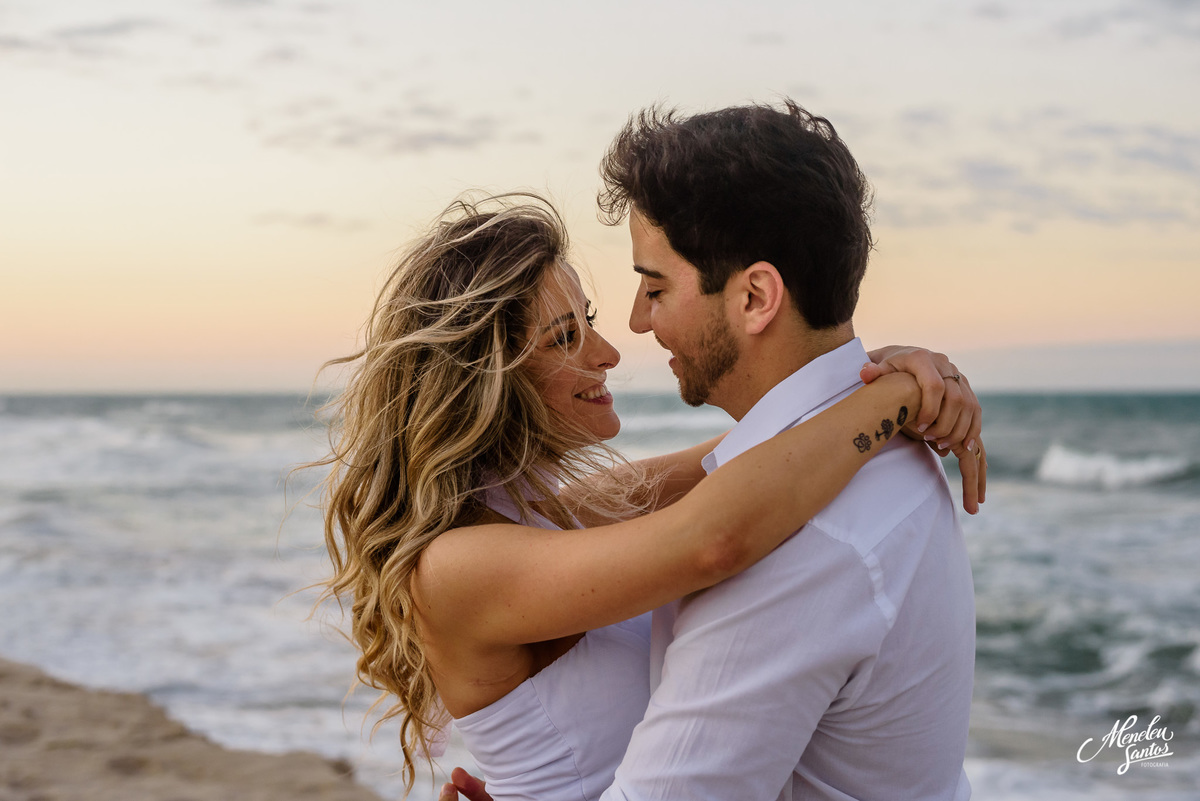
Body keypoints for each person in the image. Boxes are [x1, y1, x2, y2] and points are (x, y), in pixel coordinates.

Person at [310, 194, 981, 801]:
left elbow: (759, 454)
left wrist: (872, 374)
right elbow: (715, 538)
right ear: (489, 379)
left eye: (588, 321)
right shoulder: (457, 567)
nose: (608, 352)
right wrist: (898, 394)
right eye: (565, 337)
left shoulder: (562, 512)